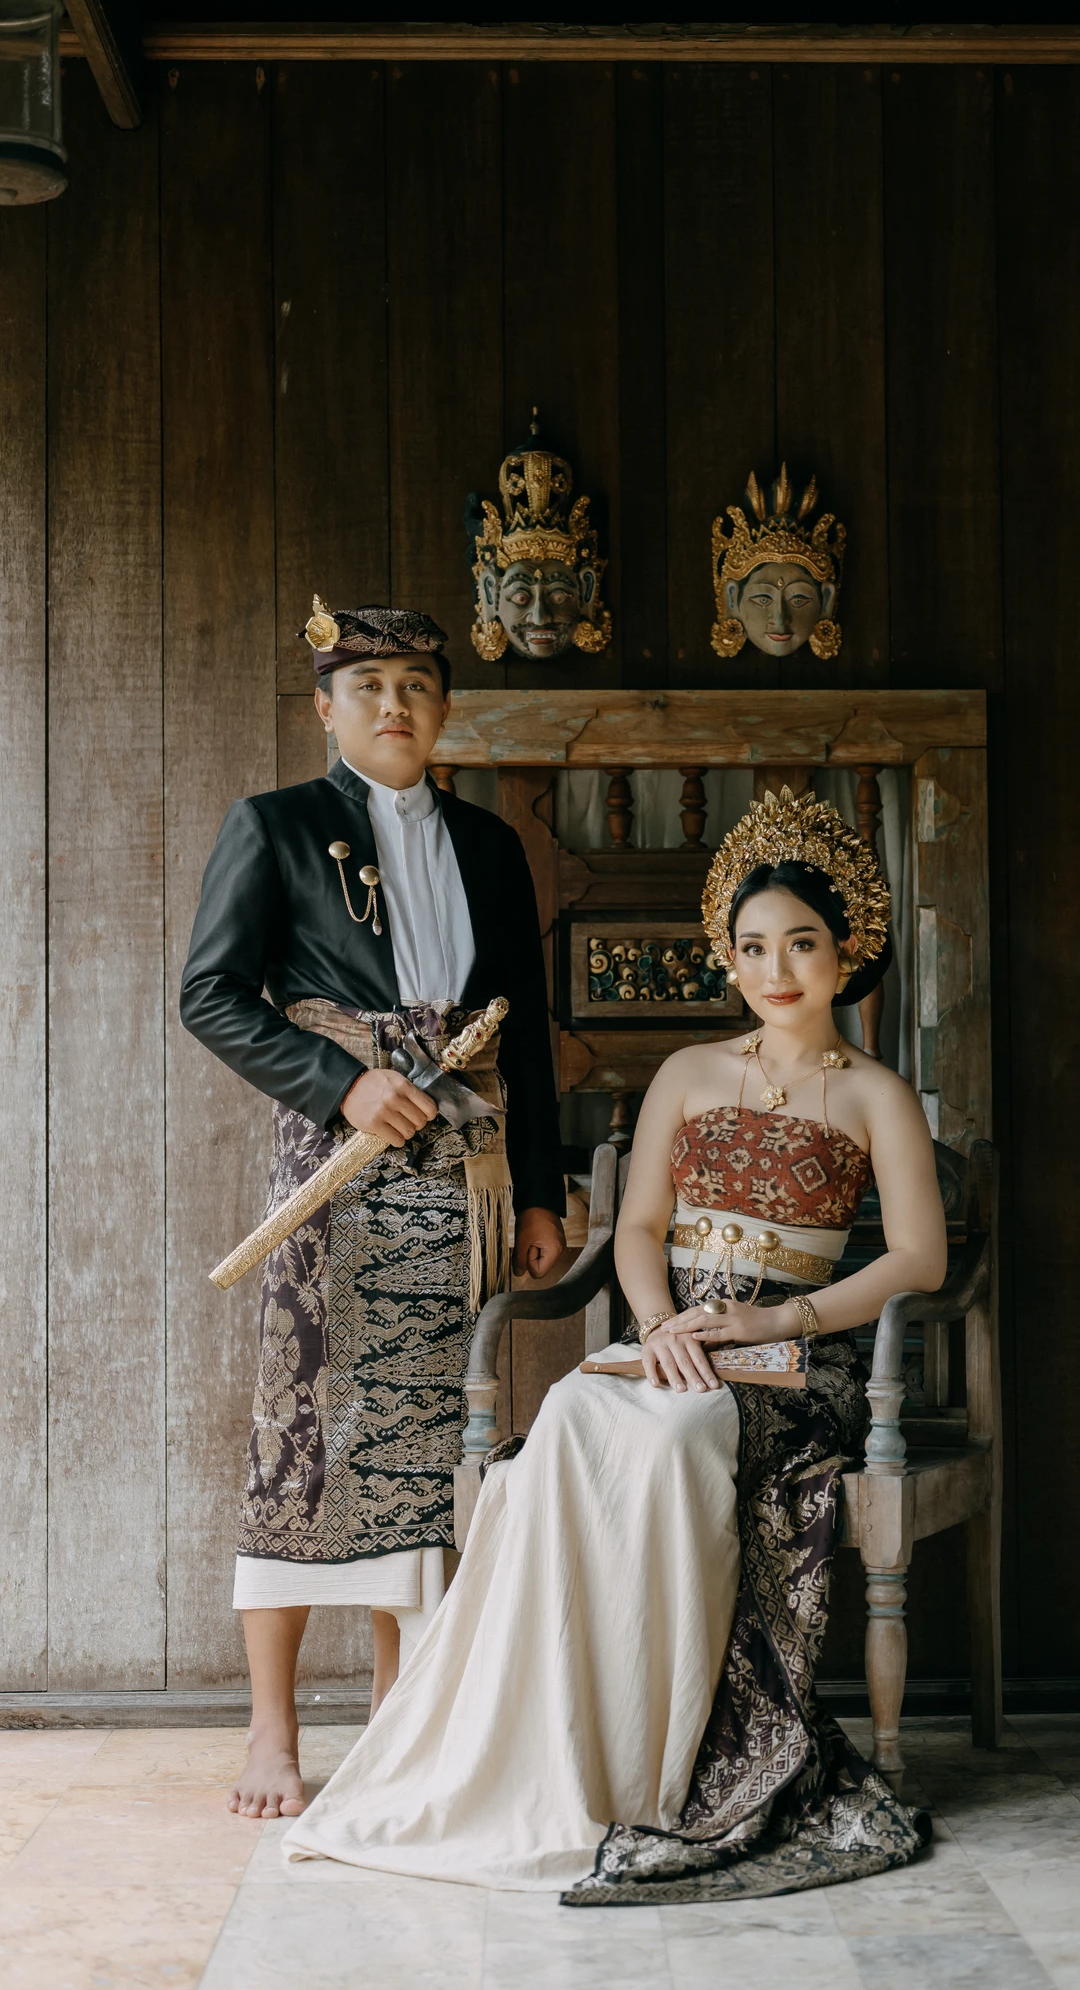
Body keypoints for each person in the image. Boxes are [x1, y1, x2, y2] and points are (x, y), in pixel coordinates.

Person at [282, 786, 946, 1904]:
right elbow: (635, 1230)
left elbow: (919, 1258)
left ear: (847, 949)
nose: (776, 969)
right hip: (673, 1337)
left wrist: (774, 1321)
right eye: (752, 946)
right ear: (726, 957)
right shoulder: (688, 1073)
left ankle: (662, 1756)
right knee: (573, 1419)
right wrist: (662, 1322)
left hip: (797, 1357)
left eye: (801, 943)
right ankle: (552, 1751)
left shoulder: (878, 1094)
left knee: (676, 1435)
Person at [179, 597, 565, 1822]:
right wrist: (342, 1082)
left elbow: (527, 1036)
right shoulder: (277, 826)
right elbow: (210, 994)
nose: (394, 705)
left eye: (416, 685)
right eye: (368, 687)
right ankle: (273, 1727)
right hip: (333, 1168)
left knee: (421, 1438)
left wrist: (542, 1188)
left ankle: (402, 1719)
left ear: (442, 707)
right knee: (300, 1431)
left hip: (463, 1173)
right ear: (325, 707)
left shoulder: (491, 844)